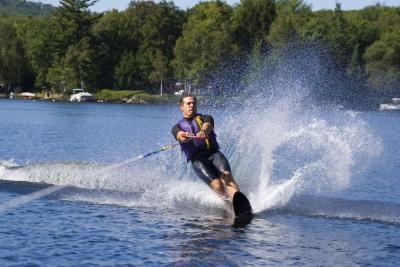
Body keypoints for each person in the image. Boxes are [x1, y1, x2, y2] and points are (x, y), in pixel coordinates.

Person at [171, 93, 241, 201]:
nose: (191, 105)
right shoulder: (177, 127)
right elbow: (180, 136)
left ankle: (239, 201)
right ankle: (229, 206)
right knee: (217, 185)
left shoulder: (206, 118)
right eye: (188, 103)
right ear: (181, 107)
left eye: (193, 103)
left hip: (213, 154)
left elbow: (207, 125)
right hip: (198, 161)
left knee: (226, 177)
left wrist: (203, 131)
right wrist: (186, 137)